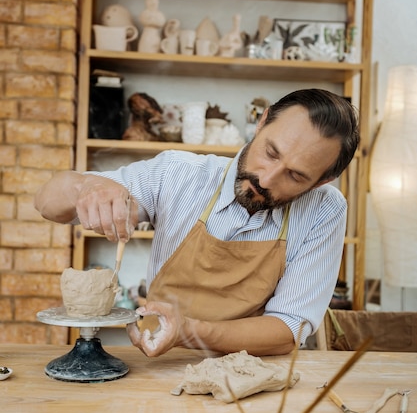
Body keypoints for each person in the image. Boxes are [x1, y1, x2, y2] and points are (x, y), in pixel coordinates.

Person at [34, 88, 359, 358]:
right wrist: (84, 187)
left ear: (321, 181)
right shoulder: (178, 173)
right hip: (158, 363)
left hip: (252, 377)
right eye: (271, 152)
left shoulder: (324, 210)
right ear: (261, 122)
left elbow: (287, 330)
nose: (266, 178)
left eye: (296, 175)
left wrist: (189, 331)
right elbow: (47, 202)